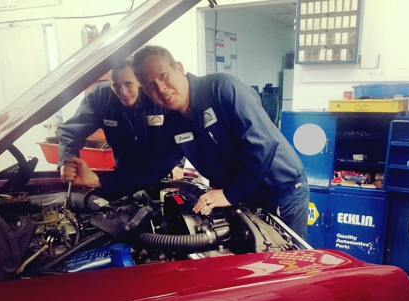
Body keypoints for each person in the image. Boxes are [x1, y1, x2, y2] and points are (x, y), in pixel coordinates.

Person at [132, 45, 309, 239]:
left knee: (288, 264)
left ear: (179, 69)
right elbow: (151, 169)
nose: (160, 88)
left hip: (281, 192)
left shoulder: (222, 88)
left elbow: (263, 144)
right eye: (150, 85)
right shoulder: (174, 124)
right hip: (247, 198)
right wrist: (101, 182)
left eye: (163, 75)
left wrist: (230, 194)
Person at [58, 56, 184, 196]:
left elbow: (180, 130)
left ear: (139, 80)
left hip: (161, 172)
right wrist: (67, 161)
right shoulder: (99, 98)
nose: (123, 92)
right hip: (124, 176)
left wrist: (177, 164)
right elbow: (71, 132)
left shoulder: (157, 94)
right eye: (116, 85)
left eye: (128, 84)